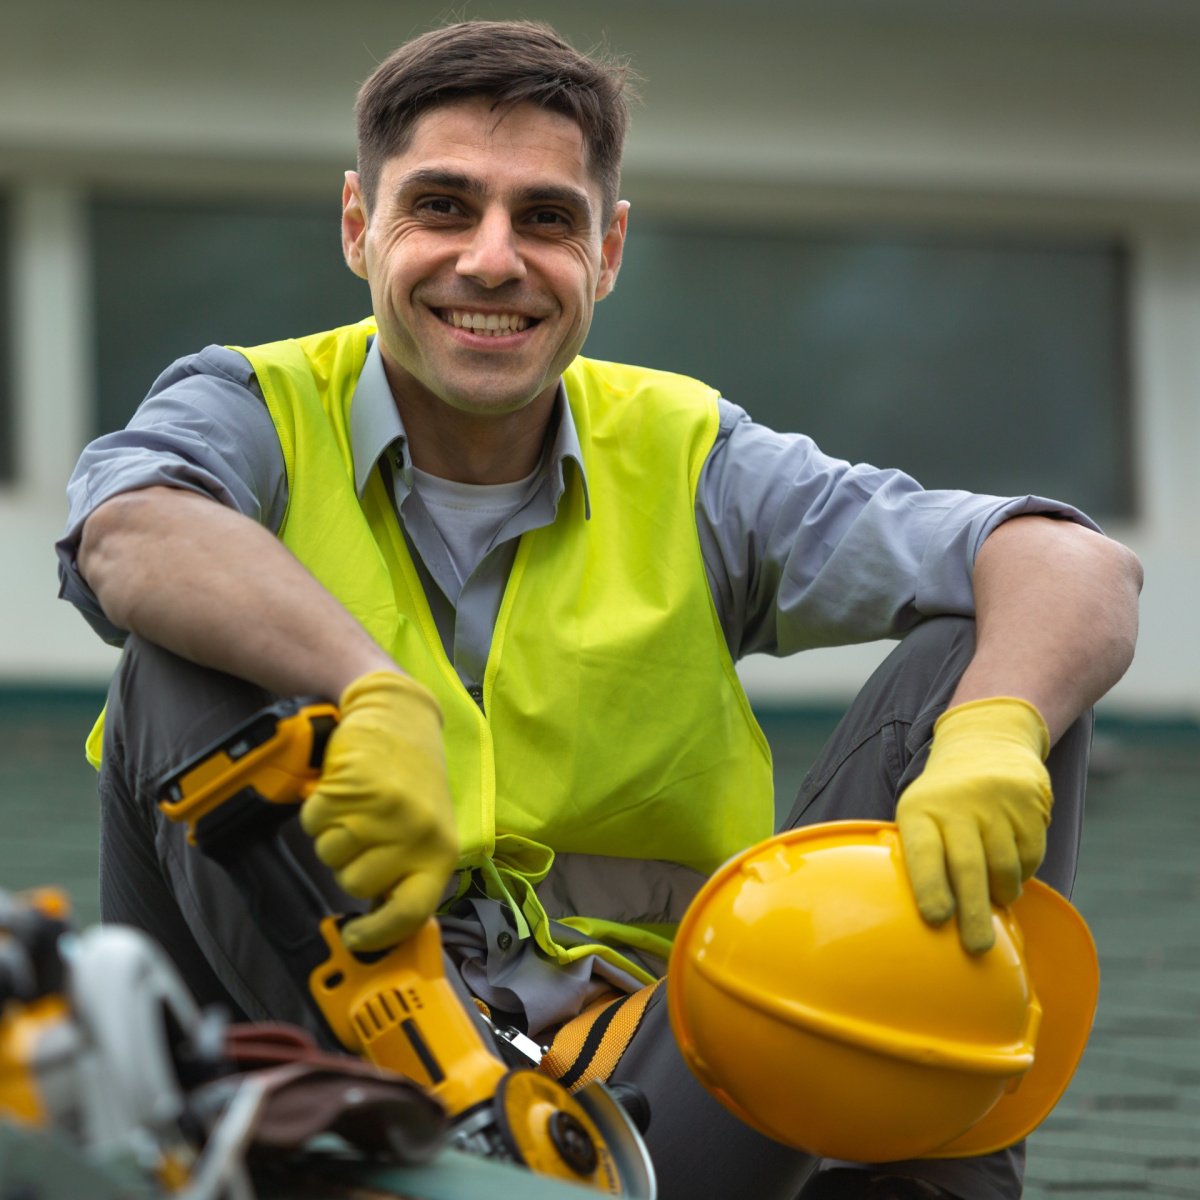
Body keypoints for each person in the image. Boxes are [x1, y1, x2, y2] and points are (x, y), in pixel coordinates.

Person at [56, 21, 1141, 1200]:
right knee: (181, 652)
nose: (492, 261)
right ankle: (459, 1131)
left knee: (999, 659)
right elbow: (130, 529)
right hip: (325, 1099)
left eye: (545, 218)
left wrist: (994, 732)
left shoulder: (691, 457)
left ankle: (915, 1179)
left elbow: (1071, 564)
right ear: (360, 224)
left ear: (608, 249)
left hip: (655, 1111)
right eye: (442, 207)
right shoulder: (249, 408)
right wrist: (368, 690)